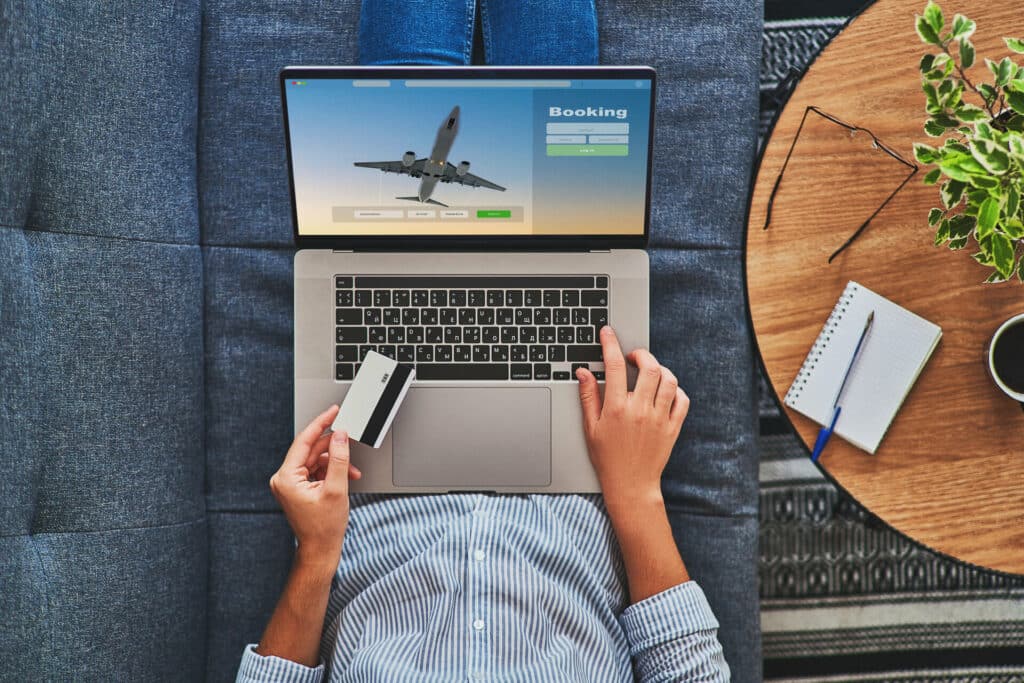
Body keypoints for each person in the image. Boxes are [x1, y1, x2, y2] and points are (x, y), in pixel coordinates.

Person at [236, 326, 729, 682]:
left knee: (376, 263)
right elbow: (689, 671)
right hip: (589, 477)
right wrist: (636, 491)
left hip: (364, 479)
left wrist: (316, 553)